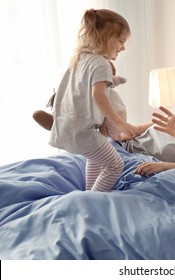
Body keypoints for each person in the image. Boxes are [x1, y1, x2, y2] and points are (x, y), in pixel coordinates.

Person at [49, 9, 139, 192]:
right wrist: (120, 123)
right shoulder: (101, 63)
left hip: (65, 129)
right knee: (115, 165)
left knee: (96, 158)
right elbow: (98, 95)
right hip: (82, 133)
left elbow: (77, 88)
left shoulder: (80, 59)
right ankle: (93, 199)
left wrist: (113, 81)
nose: (123, 47)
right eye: (121, 41)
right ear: (104, 37)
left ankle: (89, 191)